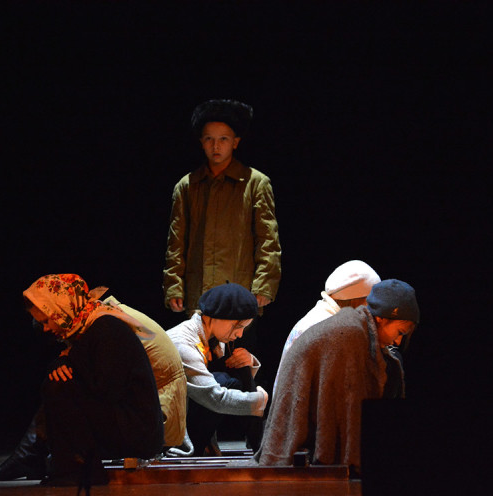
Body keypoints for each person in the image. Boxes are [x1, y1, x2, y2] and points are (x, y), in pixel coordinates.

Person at [0, 274, 169, 486]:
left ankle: (74, 469)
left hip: (137, 431)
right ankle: (43, 459)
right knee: (58, 383)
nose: (46, 329)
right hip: (122, 422)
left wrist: (69, 362)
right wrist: (65, 363)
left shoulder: (106, 328)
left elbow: (107, 390)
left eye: (46, 320)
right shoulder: (88, 327)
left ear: (60, 309)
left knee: (59, 386)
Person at [255, 279, 419, 475]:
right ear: (382, 318)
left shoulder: (358, 327)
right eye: (400, 332)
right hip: (290, 432)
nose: (398, 341)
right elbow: (347, 407)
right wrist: (354, 465)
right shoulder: (351, 333)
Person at [163, 99, 281, 317]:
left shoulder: (255, 183)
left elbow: (267, 241)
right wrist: (174, 286)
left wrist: (264, 285)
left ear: (235, 142)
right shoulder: (187, 186)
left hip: (239, 291)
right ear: (201, 142)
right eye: (209, 139)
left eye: (223, 139)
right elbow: (176, 244)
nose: (215, 146)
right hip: (198, 292)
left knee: (237, 340)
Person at [167, 283, 269, 456]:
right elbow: (213, 396)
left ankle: (260, 446)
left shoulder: (215, 338)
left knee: (238, 366)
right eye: (238, 326)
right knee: (223, 380)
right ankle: (262, 447)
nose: (240, 334)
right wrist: (260, 401)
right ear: (215, 317)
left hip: (192, 408)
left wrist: (249, 361)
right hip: (170, 429)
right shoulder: (183, 343)